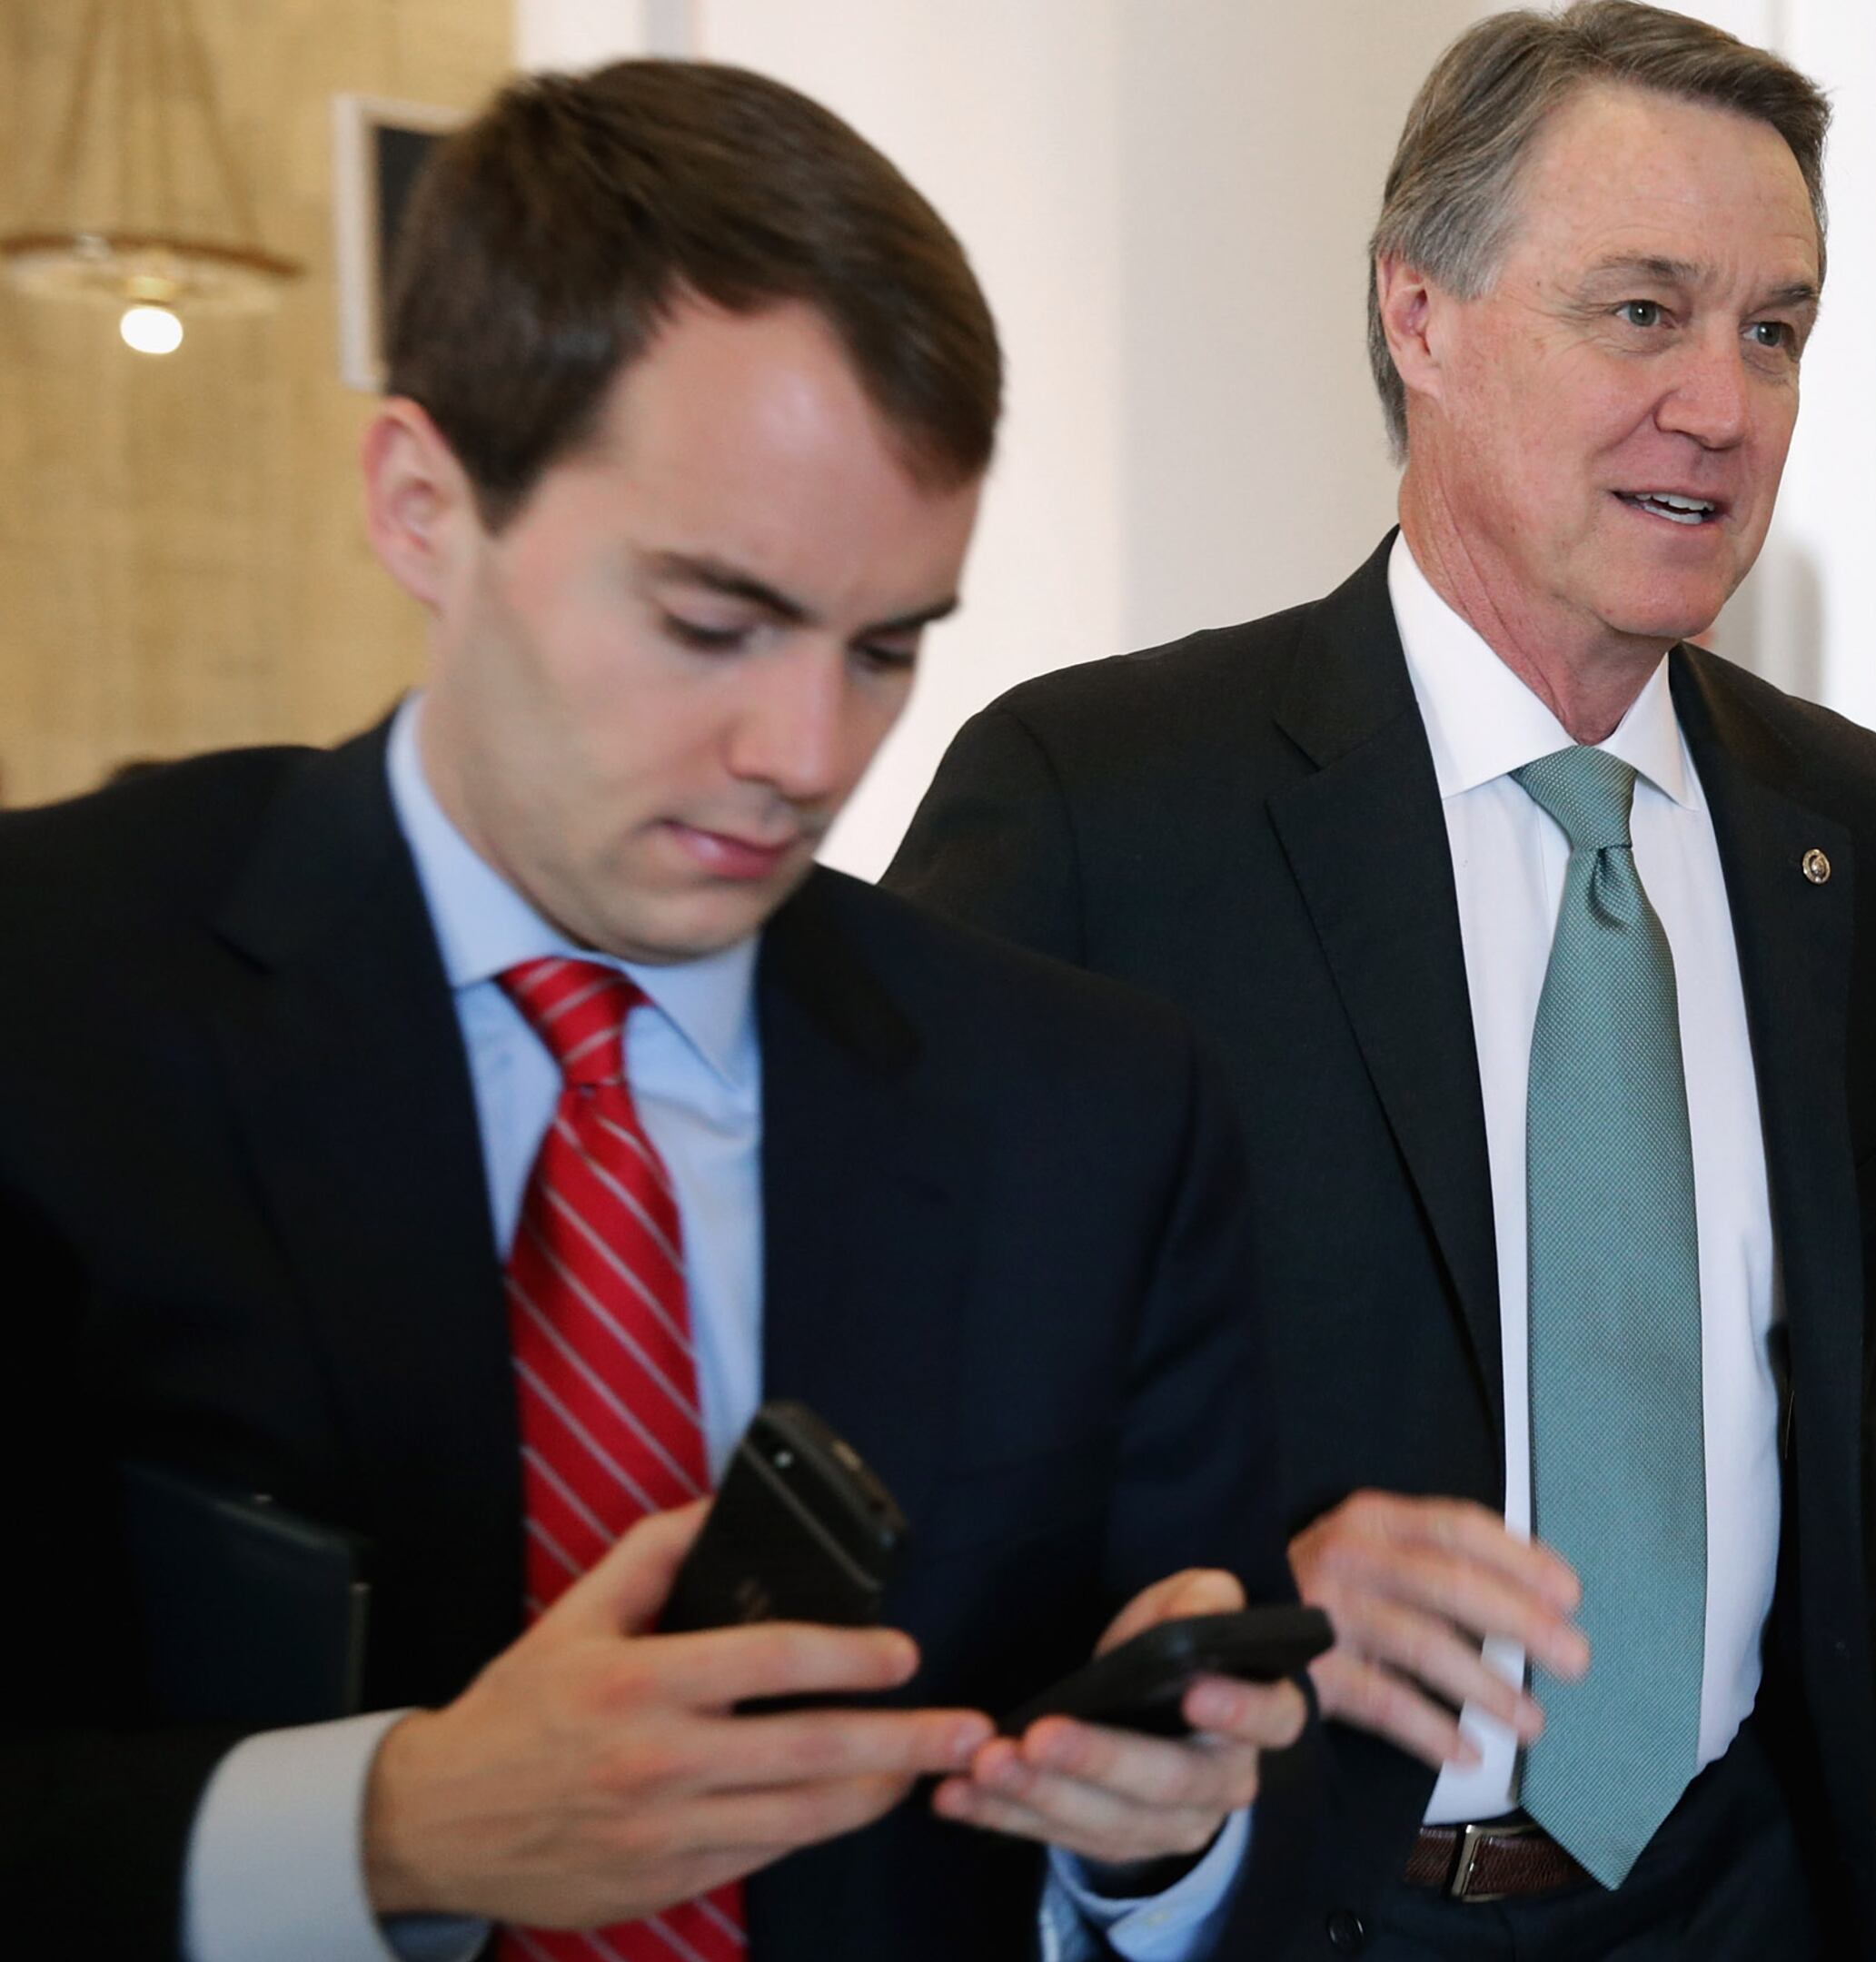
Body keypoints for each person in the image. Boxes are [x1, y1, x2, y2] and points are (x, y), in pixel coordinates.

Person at [0, 62, 1304, 1962]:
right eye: (711, 624)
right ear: (424, 504)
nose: (805, 756)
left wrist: (1155, 1853)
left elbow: (1211, 1823)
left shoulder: (1092, 1109)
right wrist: (387, 1827)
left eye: (884, 651)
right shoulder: (54, 1004)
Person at [883, 7, 1876, 1958]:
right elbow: (897, 1432)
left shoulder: (1857, 842)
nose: (1720, 403)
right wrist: (1225, 1611)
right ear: (1422, 313)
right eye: (1641, 311)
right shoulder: (1103, 813)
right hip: (1290, 1906)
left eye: (1774, 329)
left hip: (1749, 1898)